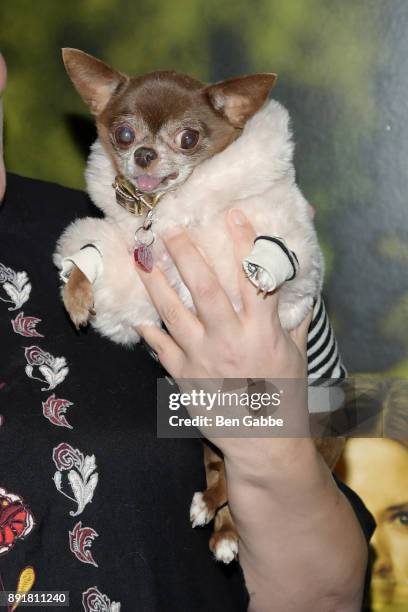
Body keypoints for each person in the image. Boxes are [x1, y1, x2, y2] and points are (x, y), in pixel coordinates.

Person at [0, 54, 374, 611]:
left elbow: (326, 597)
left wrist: (263, 435)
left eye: (183, 138)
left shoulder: (148, 237)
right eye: (125, 134)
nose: (145, 152)